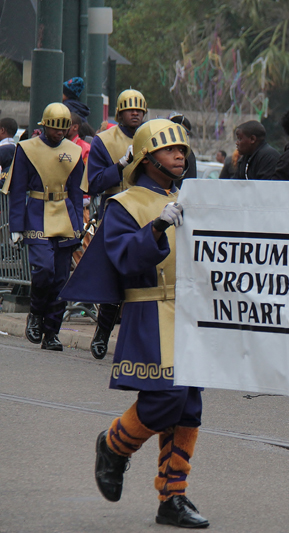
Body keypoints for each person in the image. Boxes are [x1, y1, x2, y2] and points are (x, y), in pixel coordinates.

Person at [61, 118, 207, 527]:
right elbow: (125, 258)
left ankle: (172, 497)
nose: (181, 154)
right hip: (150, 310)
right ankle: (114, 445)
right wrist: (158, 224)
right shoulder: (123, 204)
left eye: (182, 149)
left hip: (192, 314)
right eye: (169, 149)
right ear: (147, 156)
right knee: (165, 398)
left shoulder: (192, 198)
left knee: (189, 405)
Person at [2, 103, 84, 351]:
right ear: (44, 126)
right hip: (37, 213)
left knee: (61, 279)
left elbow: (77, 192)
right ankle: (36, 314)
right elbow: (17, 189)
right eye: (54, 128)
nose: (59, 133)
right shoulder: (27, 149)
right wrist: (16, 225)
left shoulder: (75, 151)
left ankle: (52, 332)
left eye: (63, 129)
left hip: (65, 214)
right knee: (45, 270)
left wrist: (78, 225)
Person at [83, 89, 148, 361]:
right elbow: (95, 183)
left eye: (139, 110)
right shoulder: (104, 141)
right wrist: (121, 164)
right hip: (117, 210)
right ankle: (102, 333)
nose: (135, 113)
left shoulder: (155, 135)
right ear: (119, 112)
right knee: (114, 275)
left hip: (147, 209)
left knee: (145, 277)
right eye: (129, 109)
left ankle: (139, 340)